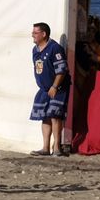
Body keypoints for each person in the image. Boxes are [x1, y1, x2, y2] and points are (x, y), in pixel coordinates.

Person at [29, 22, 69, 156]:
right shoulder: (35, 50)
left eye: (35, 33)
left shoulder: (55, 48)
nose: (32, 35)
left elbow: (61, 70)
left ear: (44, 34)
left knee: (55, 115)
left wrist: (54, 86)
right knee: (44, 116)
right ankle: (45, 147)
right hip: (44, 89)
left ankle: (57, 147)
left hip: (57, 88)